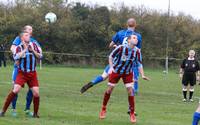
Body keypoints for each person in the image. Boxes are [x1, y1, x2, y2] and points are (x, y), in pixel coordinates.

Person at [80, 18, 143, 94]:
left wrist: (117, 46)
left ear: (127, 24)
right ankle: (134, 91)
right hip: (128, 62)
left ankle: (92, 82)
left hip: (116, 60)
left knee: (104, 76)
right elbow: (138, 51)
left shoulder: (120, 33)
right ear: (135, 25)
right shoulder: (138, 36)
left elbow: (110, 45)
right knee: (133, 78)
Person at [99, 35, 149, 123]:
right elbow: (111, 56)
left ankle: (132, 113)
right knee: (109, 90)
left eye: (137, 38)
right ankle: (103, 108)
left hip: (128, 73)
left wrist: (143, 75)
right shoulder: (121, 48)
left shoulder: (137, 51)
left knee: (130, 91)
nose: (136, 39)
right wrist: (111, 68)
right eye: (134, 38)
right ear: (129, 40)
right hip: (116, 71)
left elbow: (139, 64)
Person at [0, 31, 42, 118]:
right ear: (22, 38)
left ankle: (35, 113)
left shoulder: (34, 45)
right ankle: (3, 111)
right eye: (26, 35)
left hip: (32, 74)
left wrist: (32, 50)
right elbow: (16, 57)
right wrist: (25, 50)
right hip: (22, 73)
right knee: (15, 90)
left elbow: (40, 56)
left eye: (29, 35)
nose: (29, 36)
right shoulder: (18, 47)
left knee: (36, 93)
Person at [10, 25, 41, 117]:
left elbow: (39, 52)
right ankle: (13, 109)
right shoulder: (18, 38)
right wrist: (17, 58)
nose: (31, 30)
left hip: (30, 70)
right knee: (15, 89)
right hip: (19, 69)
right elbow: (12, 48)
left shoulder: (34, 41)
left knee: (32, 90)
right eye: (29, 29)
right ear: (24, 31)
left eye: (32, 29)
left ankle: (27, 109)